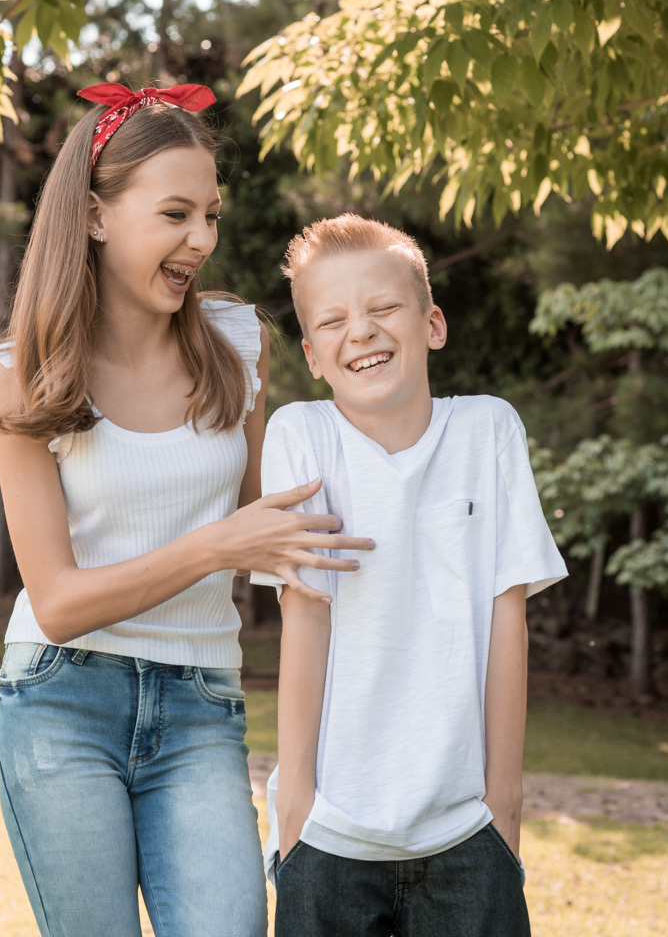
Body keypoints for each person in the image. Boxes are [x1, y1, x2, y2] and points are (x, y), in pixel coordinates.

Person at [0, 83, 373, 937]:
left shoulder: (236, 340)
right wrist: (218, 546)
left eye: (212, 215)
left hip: (200, 701)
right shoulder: (20, 374)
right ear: (93, 216)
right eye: (177, 214)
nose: (203, 240)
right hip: (59, 698)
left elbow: (283, 524)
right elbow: (59, 601)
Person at [250, 213, 568, 937]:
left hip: (466, 835)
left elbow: (505, 618)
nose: (359, 330)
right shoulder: (301, 436)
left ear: (431, 324)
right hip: (330, 837)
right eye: (332, 321)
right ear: (312, 356)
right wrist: (296, 810)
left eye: (382, 308)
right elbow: (305, 619)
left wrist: (502, 808)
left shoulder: (488, 431)